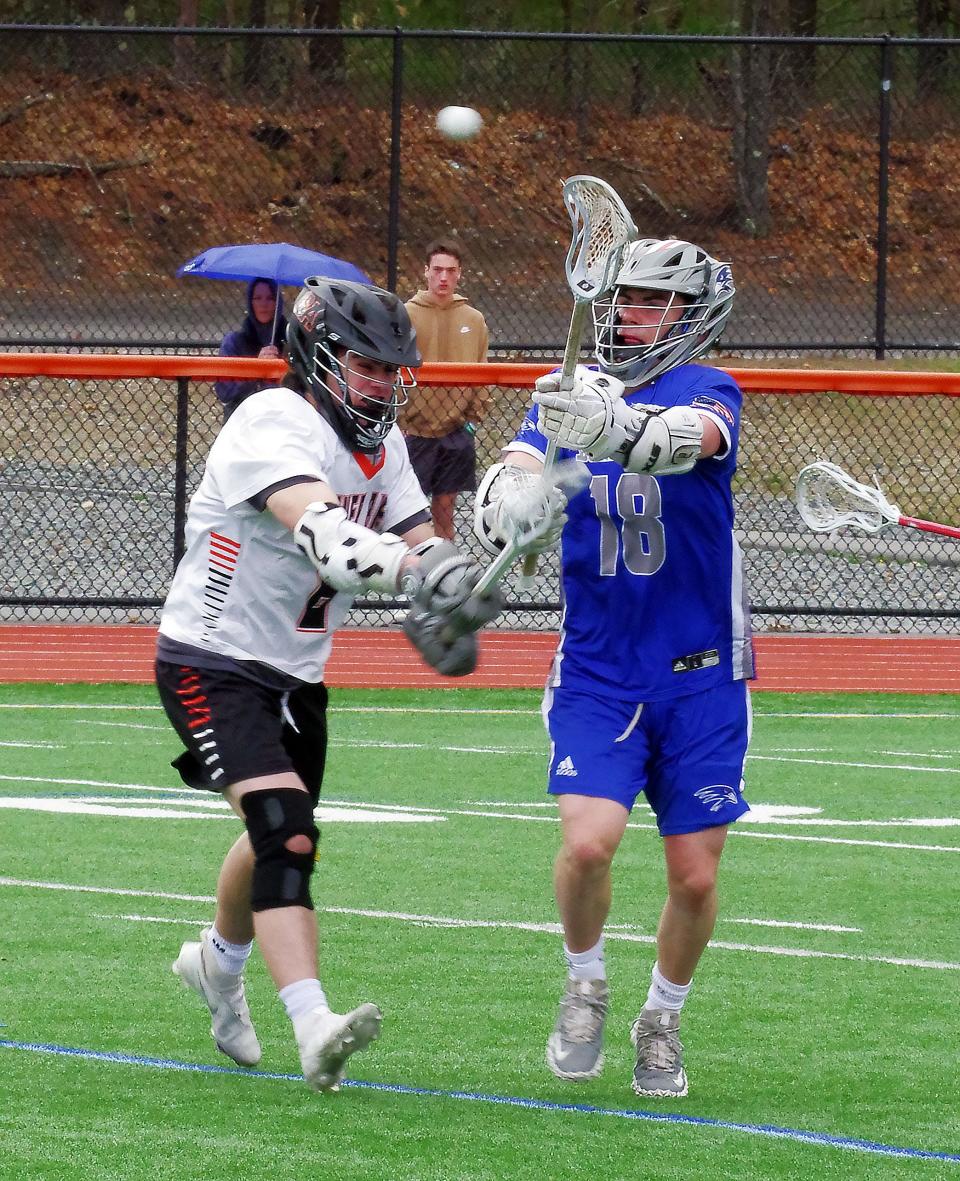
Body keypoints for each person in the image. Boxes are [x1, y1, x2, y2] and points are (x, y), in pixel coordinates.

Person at [156, 276, 501, 1094]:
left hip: (297, 672)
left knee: (279, 826)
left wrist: (471, 573)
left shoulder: (384, 449)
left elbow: (422, 534)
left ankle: (219, 963)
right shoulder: (273, 419)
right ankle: (313, 1026)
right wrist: (421, 571)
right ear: (318, 356)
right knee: (287, 825)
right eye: (366, 364)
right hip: (212, 657)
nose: (383, 383)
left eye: (392, 369)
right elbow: (332, 541)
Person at [474, 237, 751, 1098]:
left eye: (650, 300)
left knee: (695, 873)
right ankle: (585, 981)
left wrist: (616, 427)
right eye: (622, 297)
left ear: (688, 311)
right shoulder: (565, 395)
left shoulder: (709, 386)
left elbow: (691, 438)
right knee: (589, 844)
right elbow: (515, 473)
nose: (629, 314)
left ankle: (661, 1015)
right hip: (598, 666)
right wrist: (509, 501)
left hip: (702, 668)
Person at [401, 238, 490, 540]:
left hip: (455, 429)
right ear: (425, 271)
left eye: (450, 271)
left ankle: (446, 574)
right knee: (408, 512)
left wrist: (472, 420)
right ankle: (409, 573)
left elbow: (482, 369)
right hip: (415, 430)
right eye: (437, 270)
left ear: (459, 274)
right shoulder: (406, 315)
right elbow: (392, 370)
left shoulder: (473, 319)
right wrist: (400, 423)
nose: (443, 277)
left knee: (445, 509)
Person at [214, 277, 287, 418]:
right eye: (257, 298)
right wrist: (256, 369)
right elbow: (225, 392)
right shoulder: (234, 342)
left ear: (278, 303)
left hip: (283, 418)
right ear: (250, 302)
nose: (263, 304)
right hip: (244, 418)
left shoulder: (291, 340)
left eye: (270, 298)